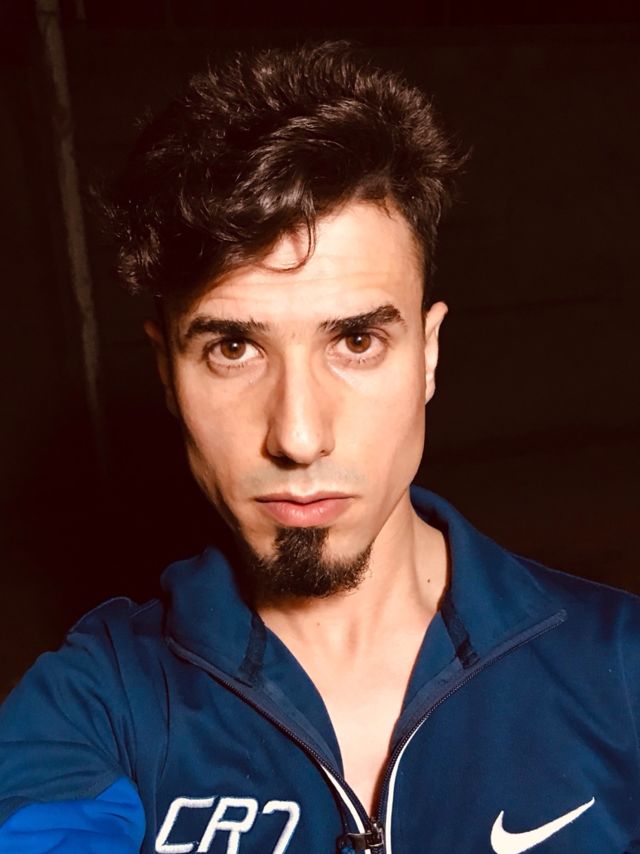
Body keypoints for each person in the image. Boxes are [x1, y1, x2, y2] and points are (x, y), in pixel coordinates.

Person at [0, 39, 639, 854]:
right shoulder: (92, 708)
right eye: (234, 348)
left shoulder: (623, 676)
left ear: (428, 354)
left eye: (356, 341)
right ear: (166, 372)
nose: (299, 436)